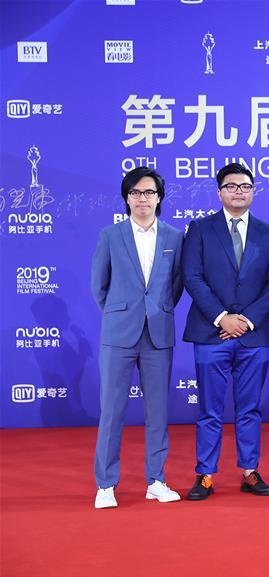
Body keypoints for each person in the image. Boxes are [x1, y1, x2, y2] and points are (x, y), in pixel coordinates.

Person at [182, 163, 269, 500]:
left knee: (249, 408)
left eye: (245, 186)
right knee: (209, 410)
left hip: (253, 334)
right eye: (231, 186)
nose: (239, 191)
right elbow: (192, 277)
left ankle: (250, 471)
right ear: (219, 192)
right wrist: (222, 318)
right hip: (211, 333)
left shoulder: (268, 233)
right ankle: (205, 474)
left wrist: (246, 320)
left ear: (253, 191)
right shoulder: (200, 229)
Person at [91, 167, 183, 509]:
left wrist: (156, 310)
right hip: (119, 335)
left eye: (149, 192)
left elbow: (176, 285)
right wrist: (122, 313)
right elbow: (99, 286)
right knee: (111, 412)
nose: (142, 198)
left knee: (157, 413)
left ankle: (156, 481)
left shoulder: (174, 237)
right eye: (135, 192)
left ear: (159, 198)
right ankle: (105, 485)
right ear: (126, 198)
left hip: (158, 334)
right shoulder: (110, 235)